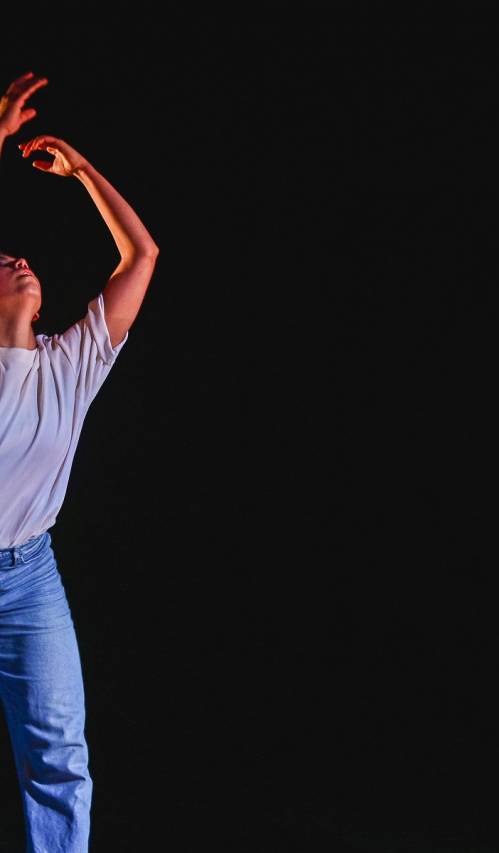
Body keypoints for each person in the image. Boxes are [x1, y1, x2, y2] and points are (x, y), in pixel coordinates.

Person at [0, 70, 158, 852]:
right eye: (0, 261)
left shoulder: (70, 365)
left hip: (28, 575)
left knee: (60, 756)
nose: (18, 261)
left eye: (20, 258)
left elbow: (142, 254)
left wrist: (84, 171)